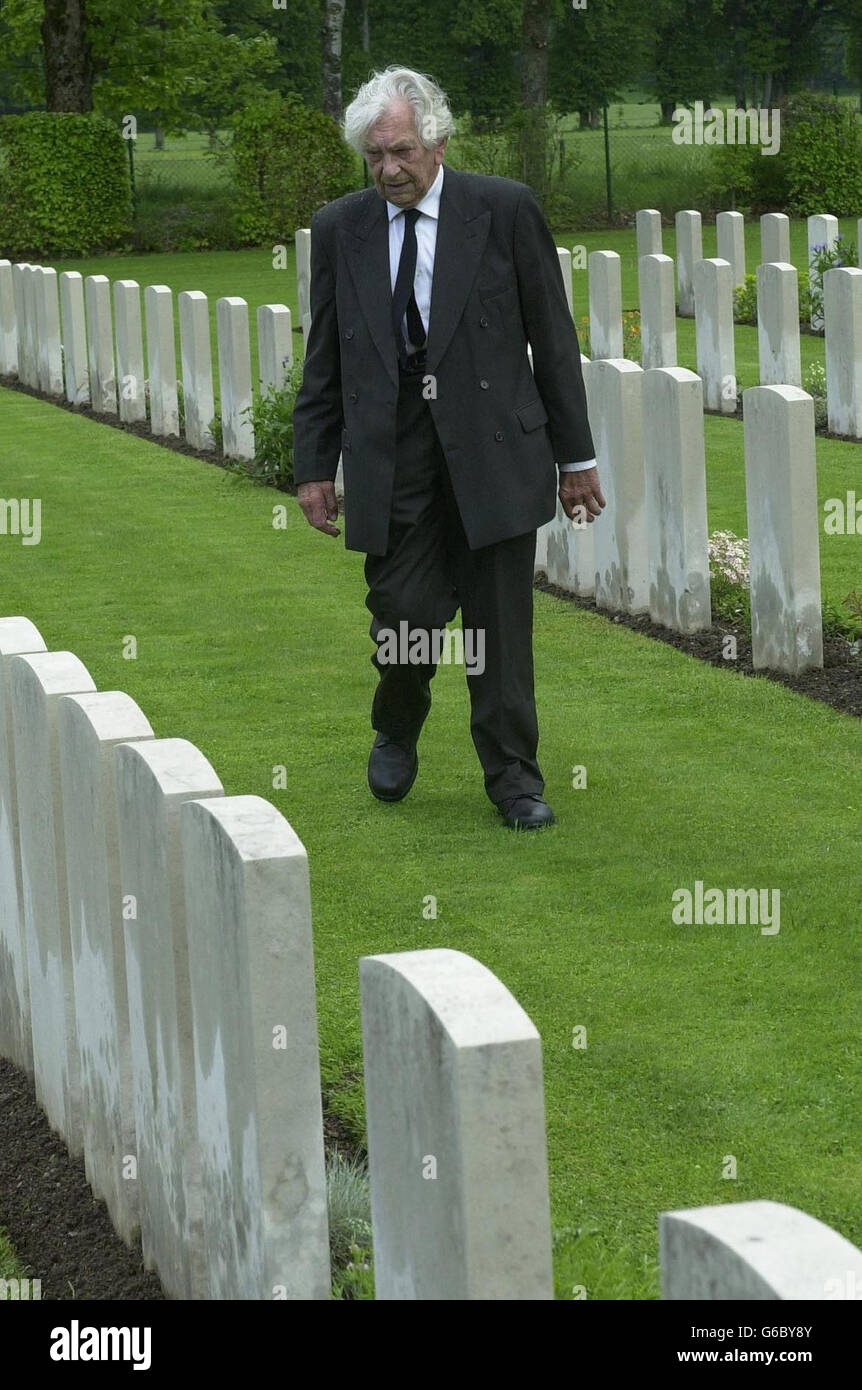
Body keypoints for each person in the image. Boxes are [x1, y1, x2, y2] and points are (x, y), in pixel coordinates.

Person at [293, 65, 604, 829]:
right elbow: (325, 355)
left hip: (494, 447)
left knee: (500, 629)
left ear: (437, 141)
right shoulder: (342, 228)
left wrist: (577, 460)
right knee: (404, 613)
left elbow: (552, 342)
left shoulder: (502, 211)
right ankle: (397, 723)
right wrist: (314, 468)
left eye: (400, 152)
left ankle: (514, 781)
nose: (389, 170)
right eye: (375, 157)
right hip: (392, 454)